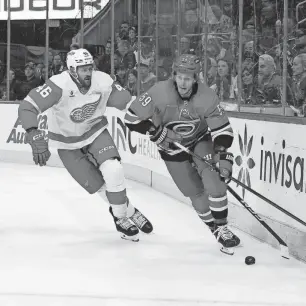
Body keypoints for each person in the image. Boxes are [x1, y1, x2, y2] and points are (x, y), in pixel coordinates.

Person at [18, 48, 153, 242]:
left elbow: (126, 102)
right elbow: (28, 106)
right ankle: (129, 210)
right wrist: (32, 131)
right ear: (72, 70)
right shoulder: (58, 85)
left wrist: (145, 112)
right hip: (67, 145)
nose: (88, 73)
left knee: (114, 170)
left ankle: (121, 218)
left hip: (95, 132)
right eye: (83, 69)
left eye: (90, 68)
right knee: (99, 186)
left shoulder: (103, 80)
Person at [124, 54, 240, 254]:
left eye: (188, 78)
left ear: (196, 78)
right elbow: (131, 118)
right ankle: (214, 229)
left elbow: (222, 130)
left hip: (200, 140)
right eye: (179, 77)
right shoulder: (159, 92)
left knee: (215, 182)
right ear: (174, 76)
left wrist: (221, 153)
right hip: (171, 148)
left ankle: (222, 227)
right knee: (194, 193)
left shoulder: (207, 96)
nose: (183, 82)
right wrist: (156, 132)